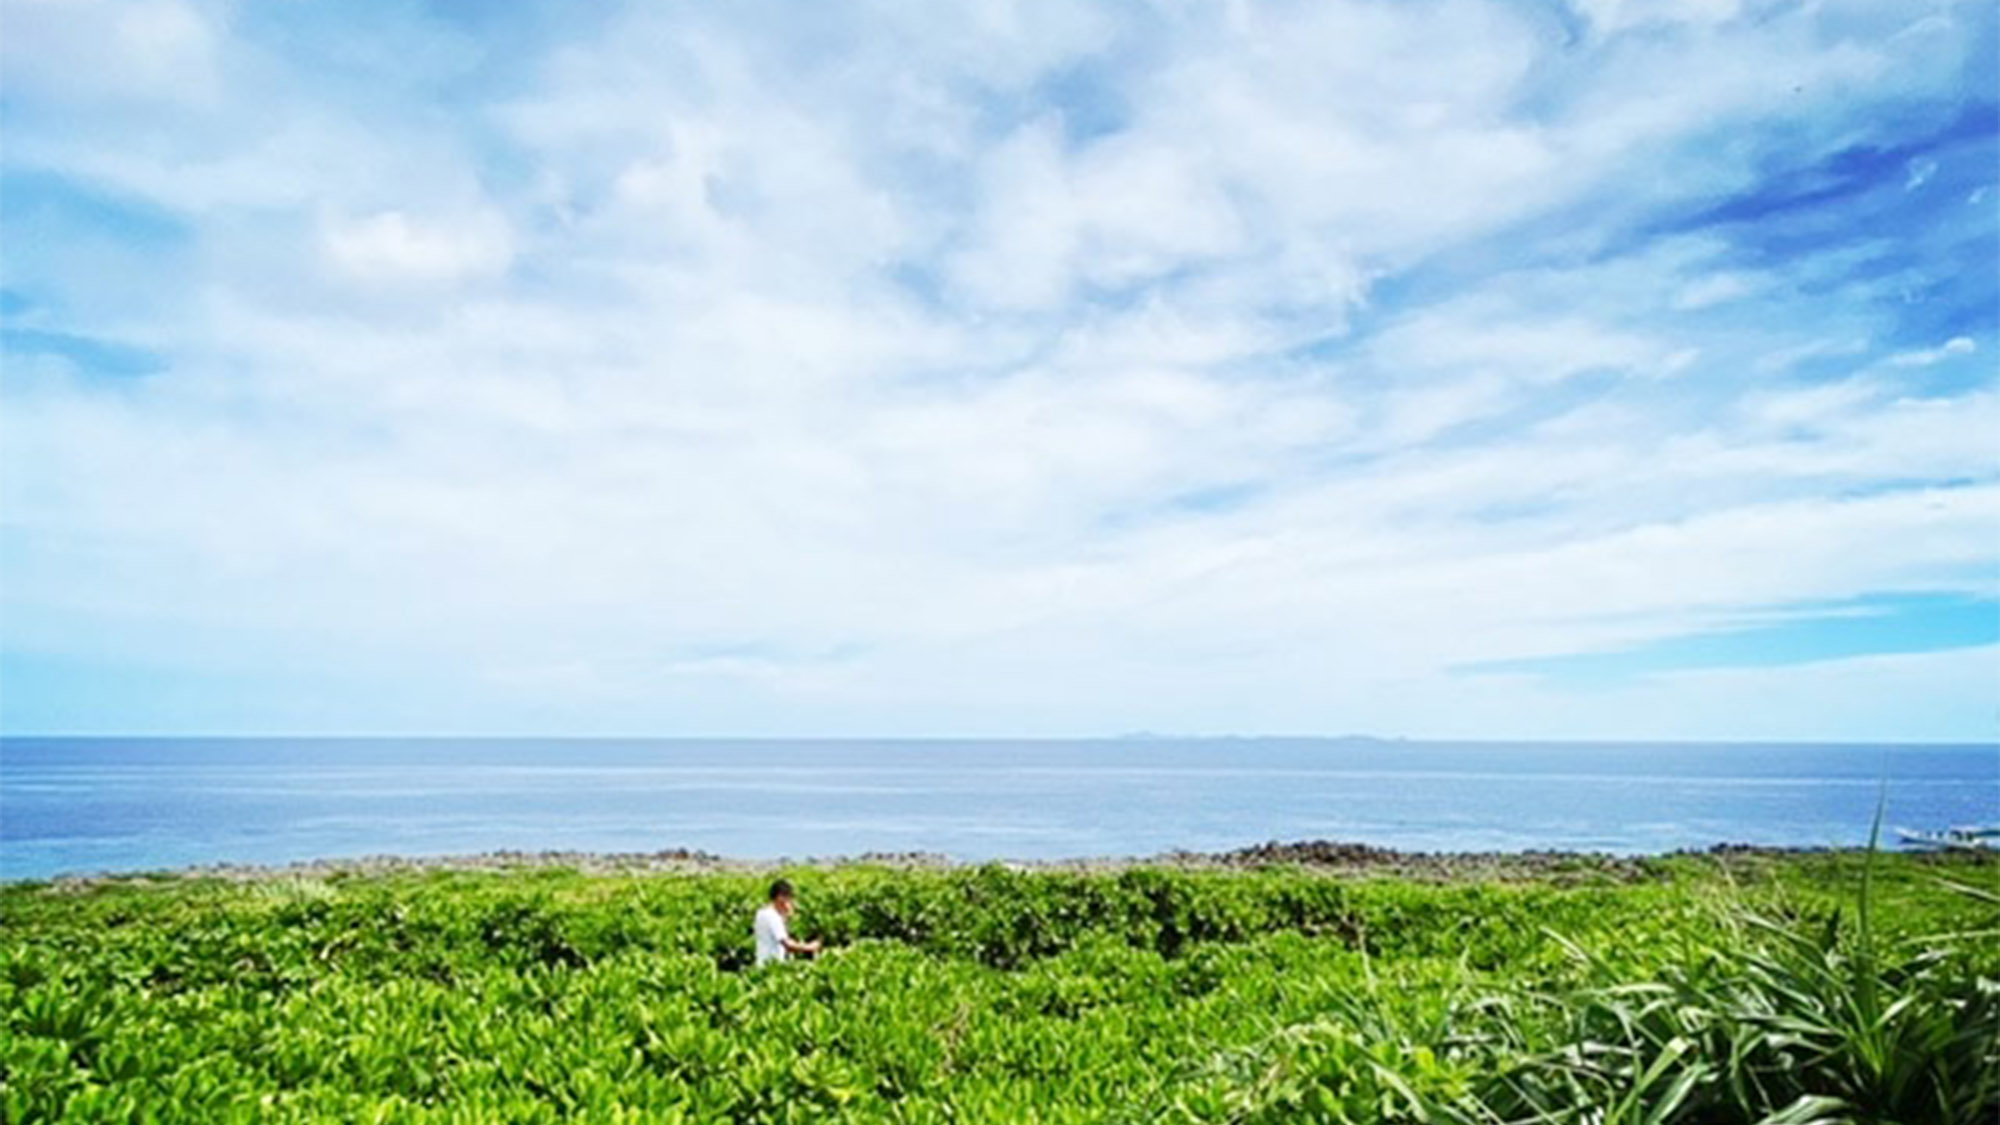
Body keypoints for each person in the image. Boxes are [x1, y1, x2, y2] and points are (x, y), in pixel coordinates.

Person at [753, 878, 822, 966]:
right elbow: (787, 944)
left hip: (761, 963)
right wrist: (810, 947)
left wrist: (786, 915)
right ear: (780, 897)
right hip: (772, 966)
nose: (789, 901)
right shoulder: (773, 917)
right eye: (788, 898)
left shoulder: (761, 912)